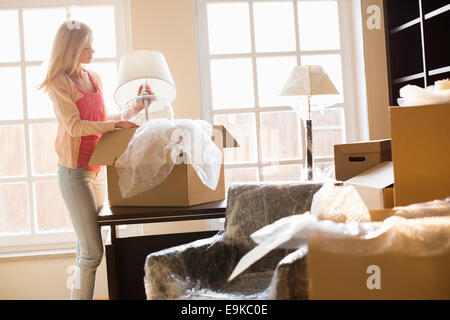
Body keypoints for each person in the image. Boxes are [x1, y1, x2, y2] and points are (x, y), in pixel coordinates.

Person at [39, 20, 152, 299]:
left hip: (96, 169)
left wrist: (135, 108)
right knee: (92, 254)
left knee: (86, 250)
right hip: (74, 173)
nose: (93, 51)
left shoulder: (94, 78)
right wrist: (114, 126)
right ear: (72, 49)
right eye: (87, 47)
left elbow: (101, 120)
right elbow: (76, 126)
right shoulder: (59, 83)